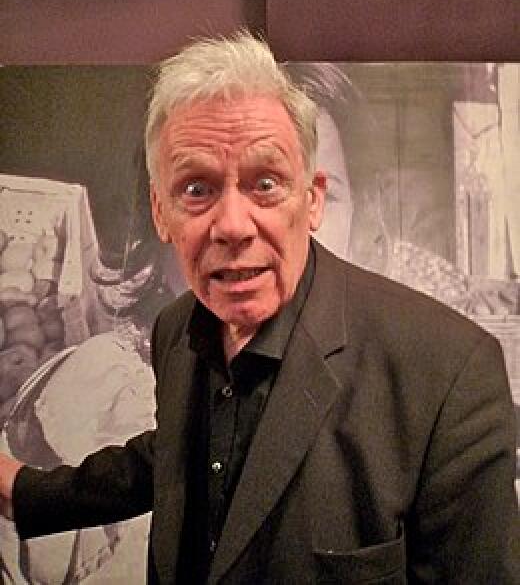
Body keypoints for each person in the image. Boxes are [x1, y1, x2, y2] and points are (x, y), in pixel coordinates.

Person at [0, 31, 518, 584]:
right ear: (160, 211)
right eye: (196, 189)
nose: (231, 225)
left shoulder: (449, 371)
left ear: (312, 199)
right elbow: (173, 456)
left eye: (265, 183)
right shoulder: (178, 328)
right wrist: (23, 489)